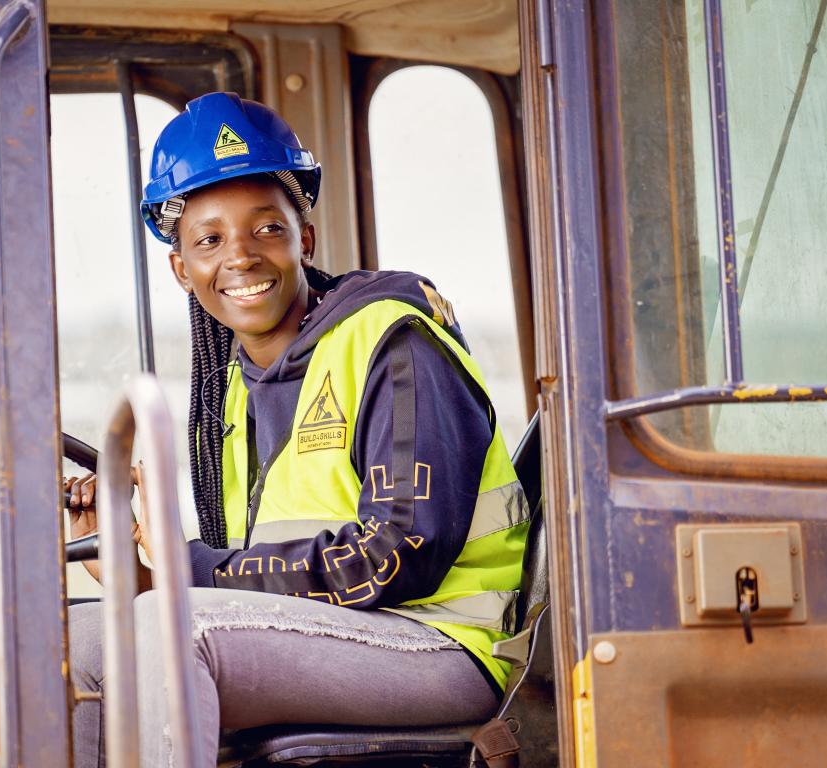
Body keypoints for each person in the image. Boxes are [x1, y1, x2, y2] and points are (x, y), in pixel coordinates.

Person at [66, 92, 529, 768]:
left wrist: (184, 568)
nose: (242, 257)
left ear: (302, 239)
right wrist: (137, 573)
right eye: (210, 239)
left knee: (172, 637)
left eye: (267, 230)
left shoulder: (393, 341)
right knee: (59, 642)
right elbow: (256, 579)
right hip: (337, 637)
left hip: (441, 642)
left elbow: (399, 554)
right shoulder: (234, 390)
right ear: (180, 267)